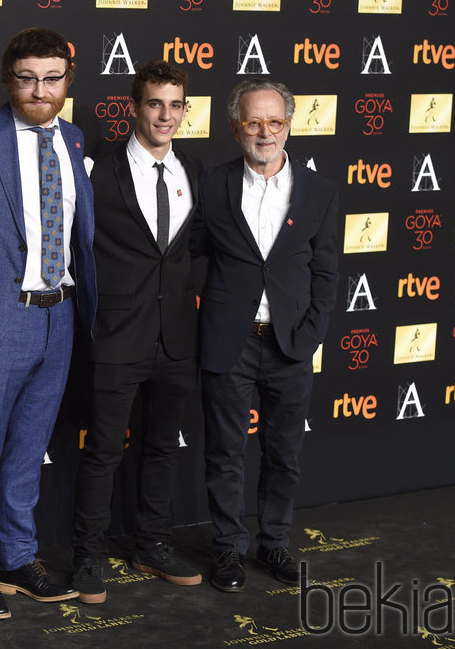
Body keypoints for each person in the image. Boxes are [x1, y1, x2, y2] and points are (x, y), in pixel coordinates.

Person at [0, 27, 97, 620]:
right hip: (0, 314)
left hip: (61, 313)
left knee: (30, 447)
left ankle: (18, 555)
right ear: (8, 79)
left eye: (52, 78)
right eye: (28, 78)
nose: (40, 89)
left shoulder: (75, 139)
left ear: (67, 81)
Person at [190, 78, 339, 593]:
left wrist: (313, 329)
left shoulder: (317, 191)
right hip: (228, 342)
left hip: (291, 343)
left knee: (284, 454)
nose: (265, 131)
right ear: (236, 128)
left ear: (289, 126)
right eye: (254, 121)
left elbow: (326, 269)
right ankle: (228, 550)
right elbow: (194, 256)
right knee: (225, 453)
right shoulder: (212, 184)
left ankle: (274, 543)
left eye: (275, 122)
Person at [70, 60, 202, 604]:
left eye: (175, 105)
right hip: (118, 334)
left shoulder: (194, 168)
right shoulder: (97, 171)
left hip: (176, 338)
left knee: (162, 448)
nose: (164, 115)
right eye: (154, 104)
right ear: (134, 107)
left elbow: (193, 253)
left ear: (184, 111)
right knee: (103, 452)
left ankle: (151, 542)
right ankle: (87, 557)